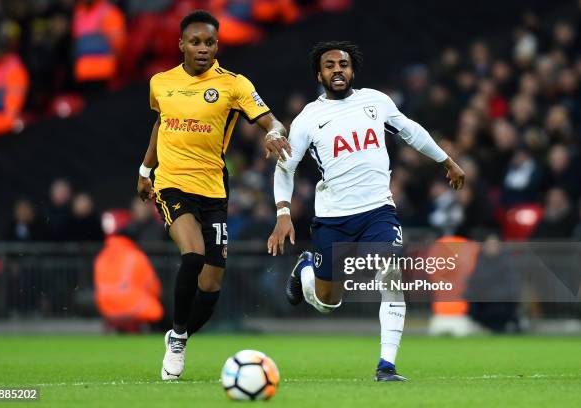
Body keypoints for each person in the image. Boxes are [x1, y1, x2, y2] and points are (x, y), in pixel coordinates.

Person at [267, 41, 465, 382]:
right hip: (333, 218)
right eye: (329, 65)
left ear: (352, 70)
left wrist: (445, 160)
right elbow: (285, 168)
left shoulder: (375, 101)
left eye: (343, 64)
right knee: (329, 303)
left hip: (378, 211)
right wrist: (283, 212)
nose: (337, 70)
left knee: (390, 275)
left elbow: (411, 131)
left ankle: (386, 366)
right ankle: (306, 271)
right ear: (320, 74)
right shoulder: (308, 120)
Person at [135, 10, 290, 380]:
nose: (202, 48)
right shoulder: (161, 83)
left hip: (213, 190)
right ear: (181, 45)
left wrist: (272, 133)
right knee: (193, 256)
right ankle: (175, 341)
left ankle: (180, 334)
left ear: (217, 45)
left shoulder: (234, 85)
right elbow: (162, 123)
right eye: (195, 42)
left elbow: (271, 120)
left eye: (209, 42)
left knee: (211, 284)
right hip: (172, 184)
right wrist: (145, 171)